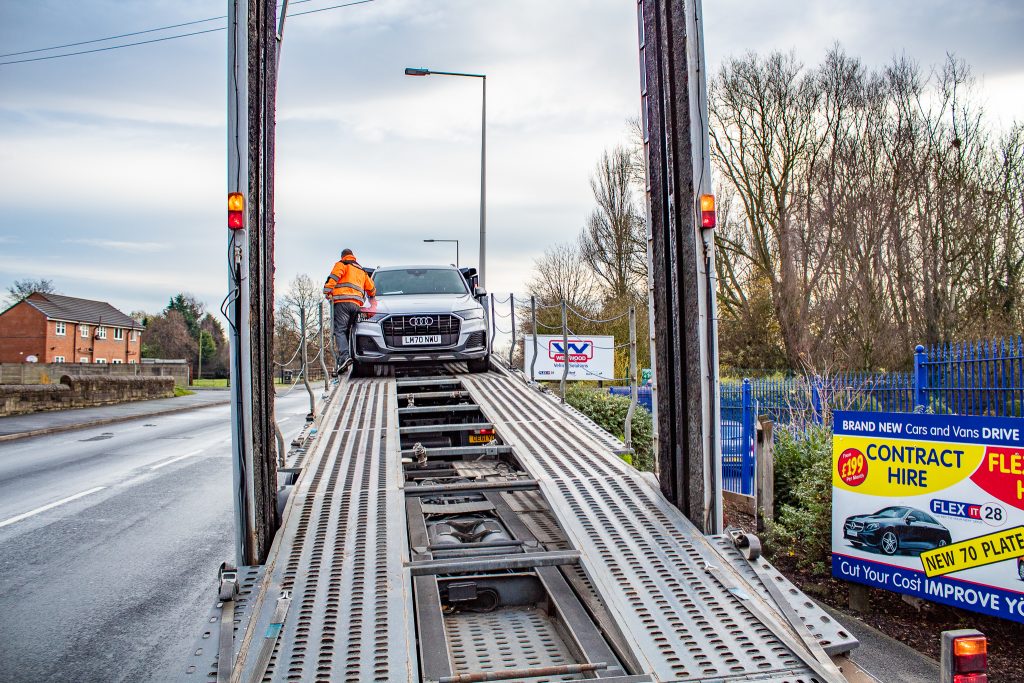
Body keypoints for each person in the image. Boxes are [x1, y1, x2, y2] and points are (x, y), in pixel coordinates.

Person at [323, 248, 376, 374]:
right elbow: (372, 290)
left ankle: (345, 357)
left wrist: (326, 291)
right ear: (353, 256)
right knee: (349, 330)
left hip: (342, 302)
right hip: (356, 305)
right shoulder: (361, 270)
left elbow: (333, 279)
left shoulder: (342, 265)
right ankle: (348, 359)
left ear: (343, 256)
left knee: (339, 330)